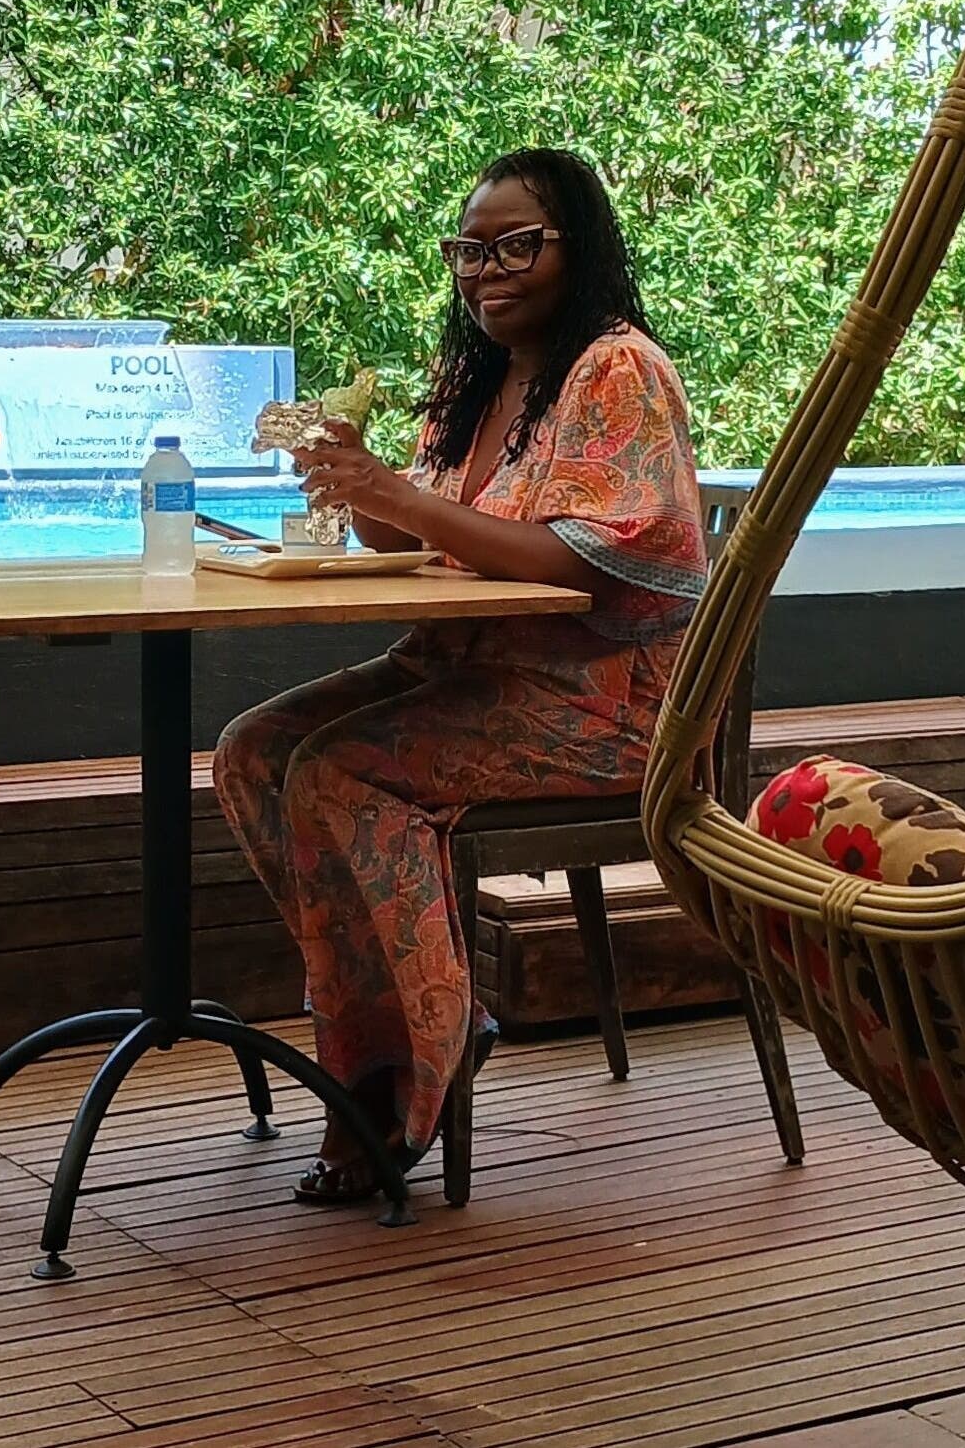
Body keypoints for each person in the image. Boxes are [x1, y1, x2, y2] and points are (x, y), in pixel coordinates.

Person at [212, 147, 707, 1203]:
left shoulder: (616, 369)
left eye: (516, 245)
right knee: (254, 752)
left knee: (337, 772)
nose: (487, 271)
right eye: (470, 251)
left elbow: (586, 559)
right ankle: (424, 1020)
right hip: (466, 674)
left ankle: (399, 1077)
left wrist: (402, 496)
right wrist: (358, 480)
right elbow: (411, 540)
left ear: (579, 245)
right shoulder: (476, 380)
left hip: (601, 700)